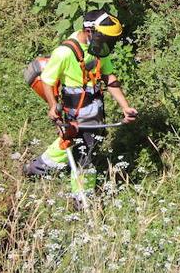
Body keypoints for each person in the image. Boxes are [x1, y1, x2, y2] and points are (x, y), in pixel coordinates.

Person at [23, 9, 138, 177]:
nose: (107, 43)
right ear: (89, 31)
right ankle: (82, 198)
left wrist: (125, 107)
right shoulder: (64, 53)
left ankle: (37, 168)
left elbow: (108, 77)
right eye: (104, 37)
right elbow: (47, 80)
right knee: (86, 158)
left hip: (96, 111)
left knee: (71, 144)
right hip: (76, 113)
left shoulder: (98, 48)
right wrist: (53, 106)